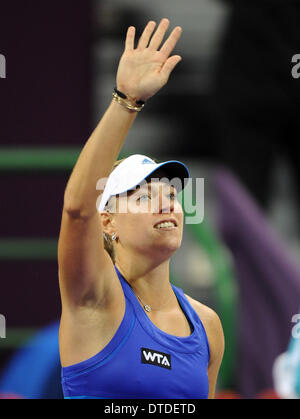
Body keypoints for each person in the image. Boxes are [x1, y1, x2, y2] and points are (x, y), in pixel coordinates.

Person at [58, 18, 224, 399]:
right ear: (108, 221)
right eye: (142, 195)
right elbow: (77, 209)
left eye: (169, 192)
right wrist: (126, 101)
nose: (165, 200)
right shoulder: (94, 296)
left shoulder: (207, 325)